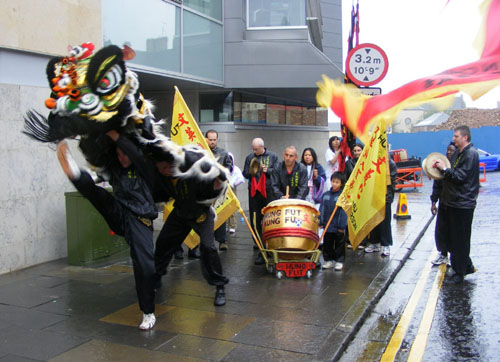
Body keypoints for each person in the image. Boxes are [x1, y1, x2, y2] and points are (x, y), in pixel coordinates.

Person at [56, 132, 157, 330]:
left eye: (124, 154)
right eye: (118, 154)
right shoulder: (114, 167)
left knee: (144, 264)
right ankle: (74, 173)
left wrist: (114, 133)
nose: (122, 158)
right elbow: (99, 170)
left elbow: (137, 154)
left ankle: (148, 312)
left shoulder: (143, 165)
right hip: (119, 213)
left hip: (140, 219)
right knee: (97, 194)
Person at [152, 153, 230, 306]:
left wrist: (217, 180)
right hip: (181, 212)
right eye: (161, 169)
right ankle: (157, 275)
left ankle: (219, 286)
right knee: (163, 242)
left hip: (201, 213)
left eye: (166, 168)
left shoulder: (194, 167)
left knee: (208, 247)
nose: (164, 171)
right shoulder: (166, 176)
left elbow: (216, 177)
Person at [433, 125, 479, 284]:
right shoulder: (459, 153)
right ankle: (466, 265)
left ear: (465, 137)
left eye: (456, 136)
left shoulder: (470, 154)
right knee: (454, 238)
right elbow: (449, 172)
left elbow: (460, 176)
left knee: (460, 239)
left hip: (462, 203)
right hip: (453, 202)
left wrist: (444, 169)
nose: (454, 139)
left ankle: (459, 272)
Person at [242, 138, 279, 264]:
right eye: (253, 149)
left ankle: (269, 244)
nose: (254, 151)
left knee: (268, 219)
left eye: (256, 149)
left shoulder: (273, 156)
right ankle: (259, 244)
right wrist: (251, 172)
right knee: (255, 219)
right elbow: (245, 173)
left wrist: (267, 170)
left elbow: (277, 172)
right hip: (254, 192)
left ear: (262, 147)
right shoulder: (249, 157)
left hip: (268, 192)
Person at [430, 142, 457, 266]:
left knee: (454, 231)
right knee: (441, 230)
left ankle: (454, 257)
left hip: (456, 204)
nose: (449, 152)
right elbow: (437, 186)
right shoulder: (441, 168)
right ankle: (443, 254)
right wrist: (433, 202)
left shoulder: (457, 168)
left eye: (451, 150)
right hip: (443, 203)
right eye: (448, 150)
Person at [206, 129, 233, 251]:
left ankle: (222, 240)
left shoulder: (223, 153)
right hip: (204, 190)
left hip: (218, 189)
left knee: (220, 213)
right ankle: (197, 244)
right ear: (206, 139)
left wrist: (222, 173)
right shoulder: (201, 151)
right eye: (210, 139)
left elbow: (229, 167)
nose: (212, 142)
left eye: (214, 139)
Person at [364, 156, 397, 256]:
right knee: (373, 221)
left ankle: (386, 244)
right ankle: (374, 243)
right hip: (373, 196)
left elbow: (391, 181)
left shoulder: (390, 163)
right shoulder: (372, 160)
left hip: (385, 197)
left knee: (385, 222)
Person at [319, 172, 348, 271]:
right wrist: (321, 221)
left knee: (339, 244)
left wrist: (342, 226)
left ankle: (339, 261)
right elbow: (321, 209)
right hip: (327, 225)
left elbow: (344, 212)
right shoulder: (325, 195)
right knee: (327, 243)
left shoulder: (342, 197)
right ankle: (329, 260)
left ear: (341, 184)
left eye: (337, 182)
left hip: (338, 225)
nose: (334, 184)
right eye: (333, 181)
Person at [227, 152, 245, 235]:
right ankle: (226, 225)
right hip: (224, 191)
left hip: (232, 190)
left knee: (233, 207)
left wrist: (234, 183)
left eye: (230, 160)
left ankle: (232, 226)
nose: (229, 161)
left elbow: (241, 178)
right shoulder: (223, 168)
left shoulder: (236, 169)